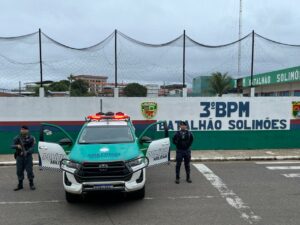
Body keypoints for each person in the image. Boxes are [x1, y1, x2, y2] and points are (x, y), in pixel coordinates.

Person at [12, 126, 36, 191]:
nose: (23, 131)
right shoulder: (17, 138)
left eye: (25, 129)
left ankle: (31, 184)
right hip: (19, 157)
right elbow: (11, 146)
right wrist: (17, 146)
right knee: (19, 171)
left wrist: (27, 152)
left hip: (28, 157)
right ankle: (20, 185)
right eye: (22, 129)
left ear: (27, 130)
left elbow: (32, 148)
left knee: (29, 171)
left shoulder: (31, 138)